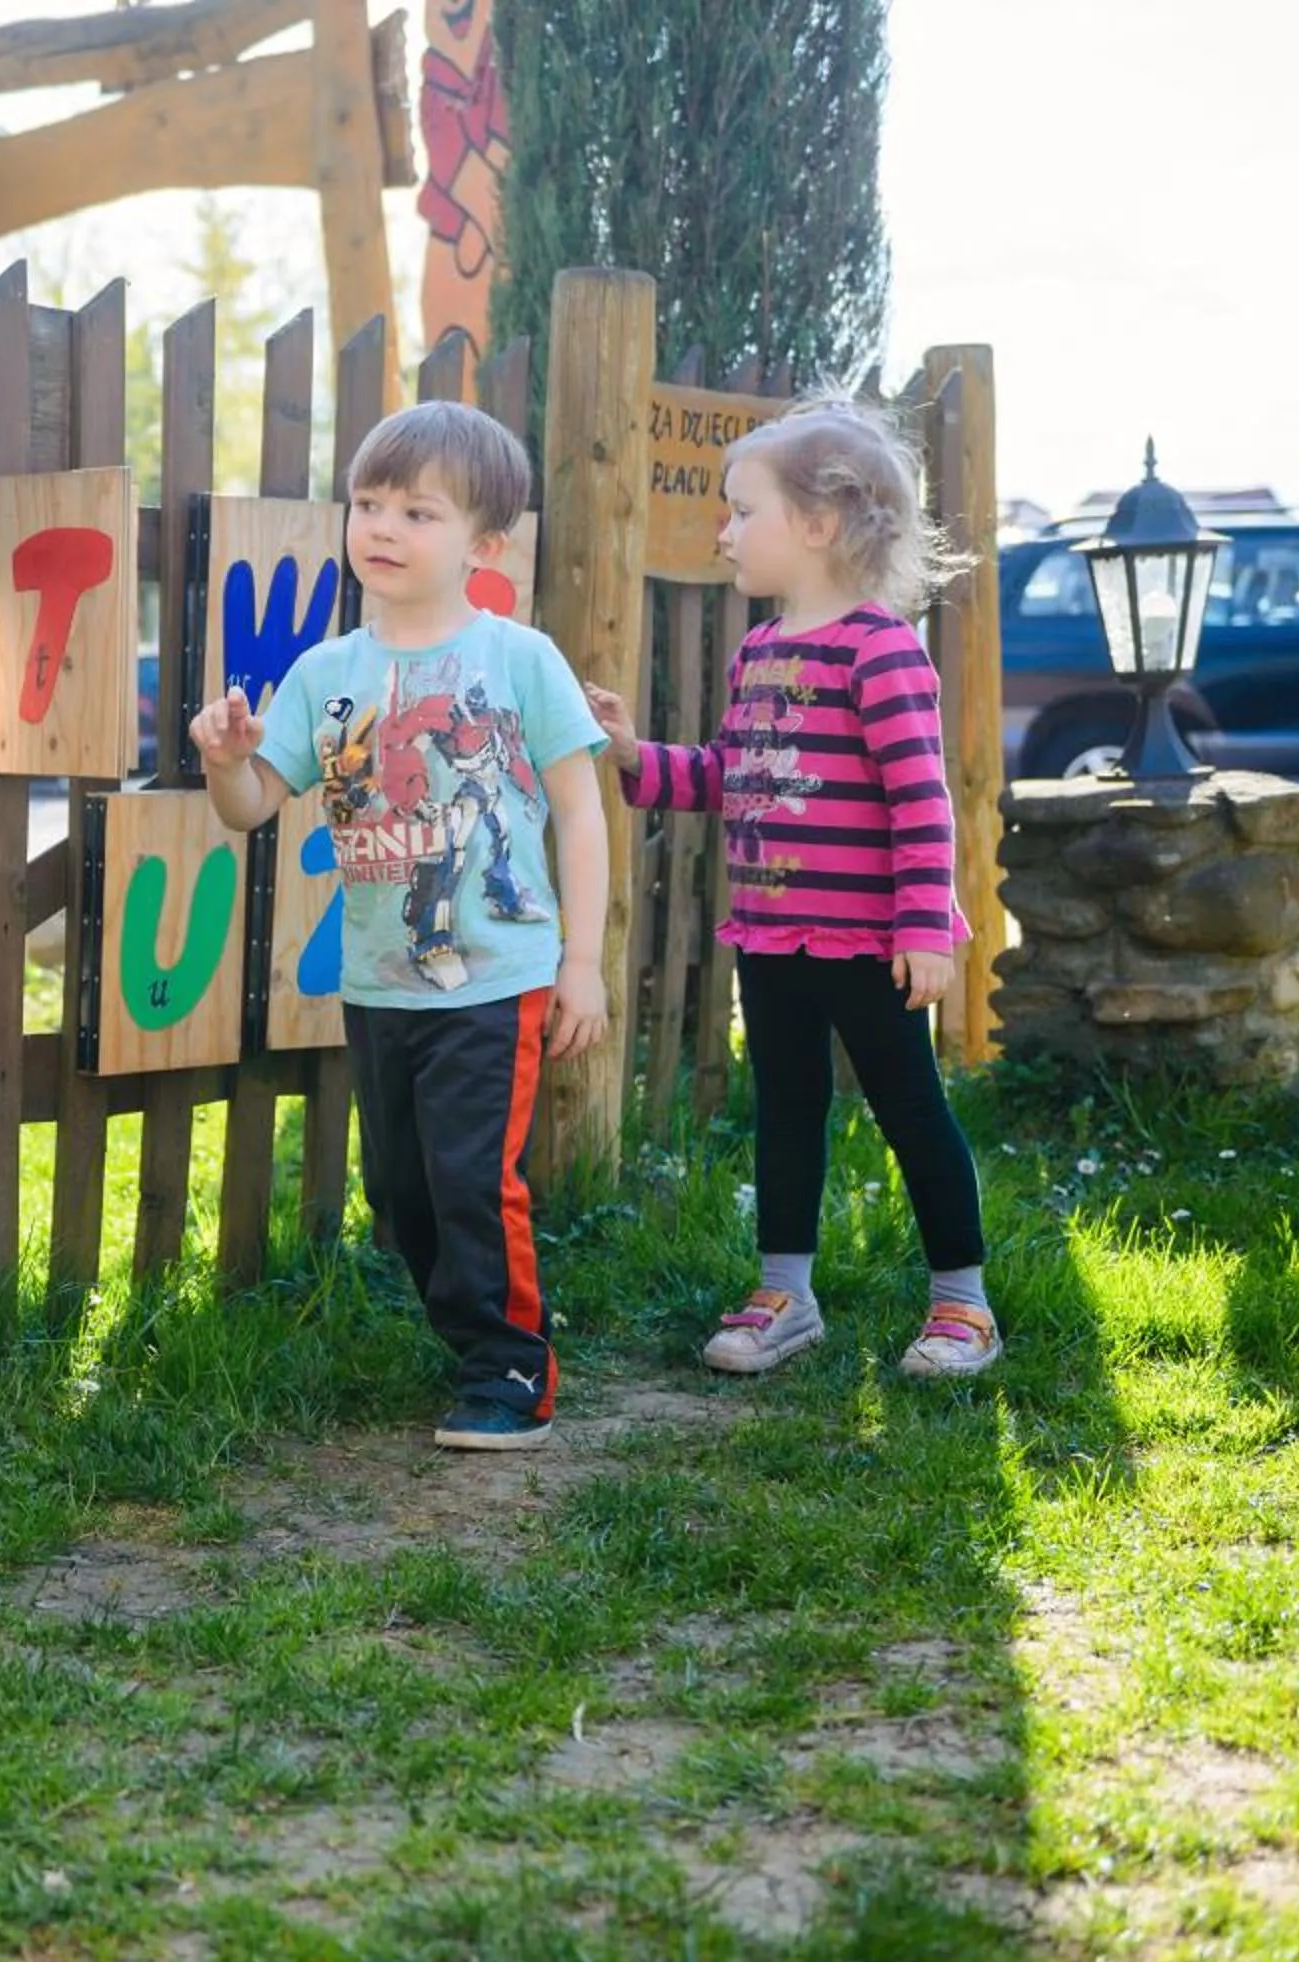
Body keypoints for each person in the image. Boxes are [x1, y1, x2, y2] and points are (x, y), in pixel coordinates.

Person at [191, 401, 611, 1450]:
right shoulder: (323, 677)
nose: (382, 526)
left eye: (417, 511)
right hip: (380, 980)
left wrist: (585, 962)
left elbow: (580, 810)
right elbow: (251, 809)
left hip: (495, 976)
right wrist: (222, 759)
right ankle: (477, 1332)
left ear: (484, 544)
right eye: (368, 503)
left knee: (474, 1176)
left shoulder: (519, 660)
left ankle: (511, 1367)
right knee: (404, 1189)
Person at [584, 396, 997, 1379]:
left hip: (870, 940)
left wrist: (923, 929)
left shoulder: (882, 651)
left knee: (912, 1113)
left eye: (742, 512)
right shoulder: (759, 654)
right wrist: (634, 752)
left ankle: (963, 1305)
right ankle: (786, 1292)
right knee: (786, 1109)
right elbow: (736, 774)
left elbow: (922, 803)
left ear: (818, 525)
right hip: (772, 938)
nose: (724, 531)